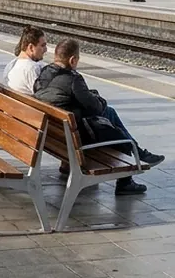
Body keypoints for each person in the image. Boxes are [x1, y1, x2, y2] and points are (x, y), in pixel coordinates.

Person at [34, 40, 163, 193]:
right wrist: (99, 99)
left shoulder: (45, 72)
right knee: (118, 134)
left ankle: (139, 153)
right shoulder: (73, 79)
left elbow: (60, 97)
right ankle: (127, 179)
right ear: (72, 60)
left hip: (54, 137)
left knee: (109, 115)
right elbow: (95, 107)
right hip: (77, 140)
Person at [3, 26, 47, 93]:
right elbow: (42, 95)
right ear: (31, 47)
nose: (45, 49)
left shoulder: (11, 65)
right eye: (42, 45)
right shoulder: (31, 69)